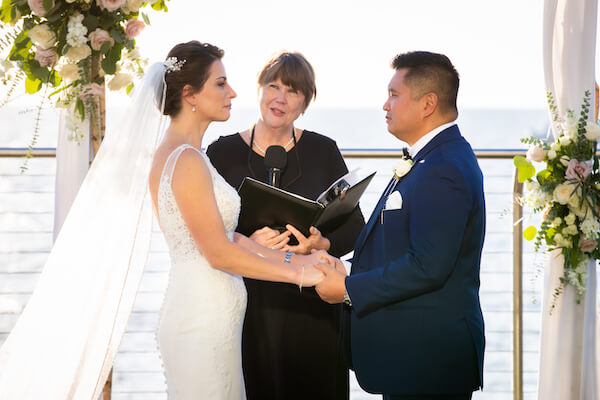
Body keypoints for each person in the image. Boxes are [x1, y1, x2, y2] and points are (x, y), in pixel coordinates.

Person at [147, 41, 332, 399]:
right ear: (190, 95)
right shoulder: (186, 159)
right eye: (220, 83)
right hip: (201, 318)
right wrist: (301, 274)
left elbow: (230, 238)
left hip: (214, 313)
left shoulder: (190, 154)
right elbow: (218, 254)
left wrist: (302, 257)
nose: (232, 92)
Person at [314, 51, 486, 400]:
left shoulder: (444, 168)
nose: (385, 105)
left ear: (427, 104)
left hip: (429, 359)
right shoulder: (431, 159)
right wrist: (345, 268)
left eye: (394, 94)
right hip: (413, 356)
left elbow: (429, 267)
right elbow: (403, 248)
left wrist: (348, 289)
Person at [206, 51, 364, 400]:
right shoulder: (221, 152)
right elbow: (205, 232)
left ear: (305, 102)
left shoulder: (323, 150)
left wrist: (320, 244)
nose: (280, 98)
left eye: (292, 91)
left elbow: (355, 226)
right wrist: (247, 240)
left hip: (312, 310)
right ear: (259, 89)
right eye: (273, 85)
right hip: (249, 307)